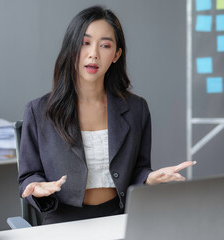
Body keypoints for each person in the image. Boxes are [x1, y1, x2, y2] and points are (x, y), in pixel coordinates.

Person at [18, 5, 195, 225]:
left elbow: (138, 170)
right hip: (62, 222)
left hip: (118, 218)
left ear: (116, 54)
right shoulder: (39, 111)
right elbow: (28, 176)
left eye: (105, 45)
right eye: (85, 43)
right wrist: (36, 186)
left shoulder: (136, 109)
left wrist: (149, 178)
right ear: (71, 48)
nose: (93, 53)